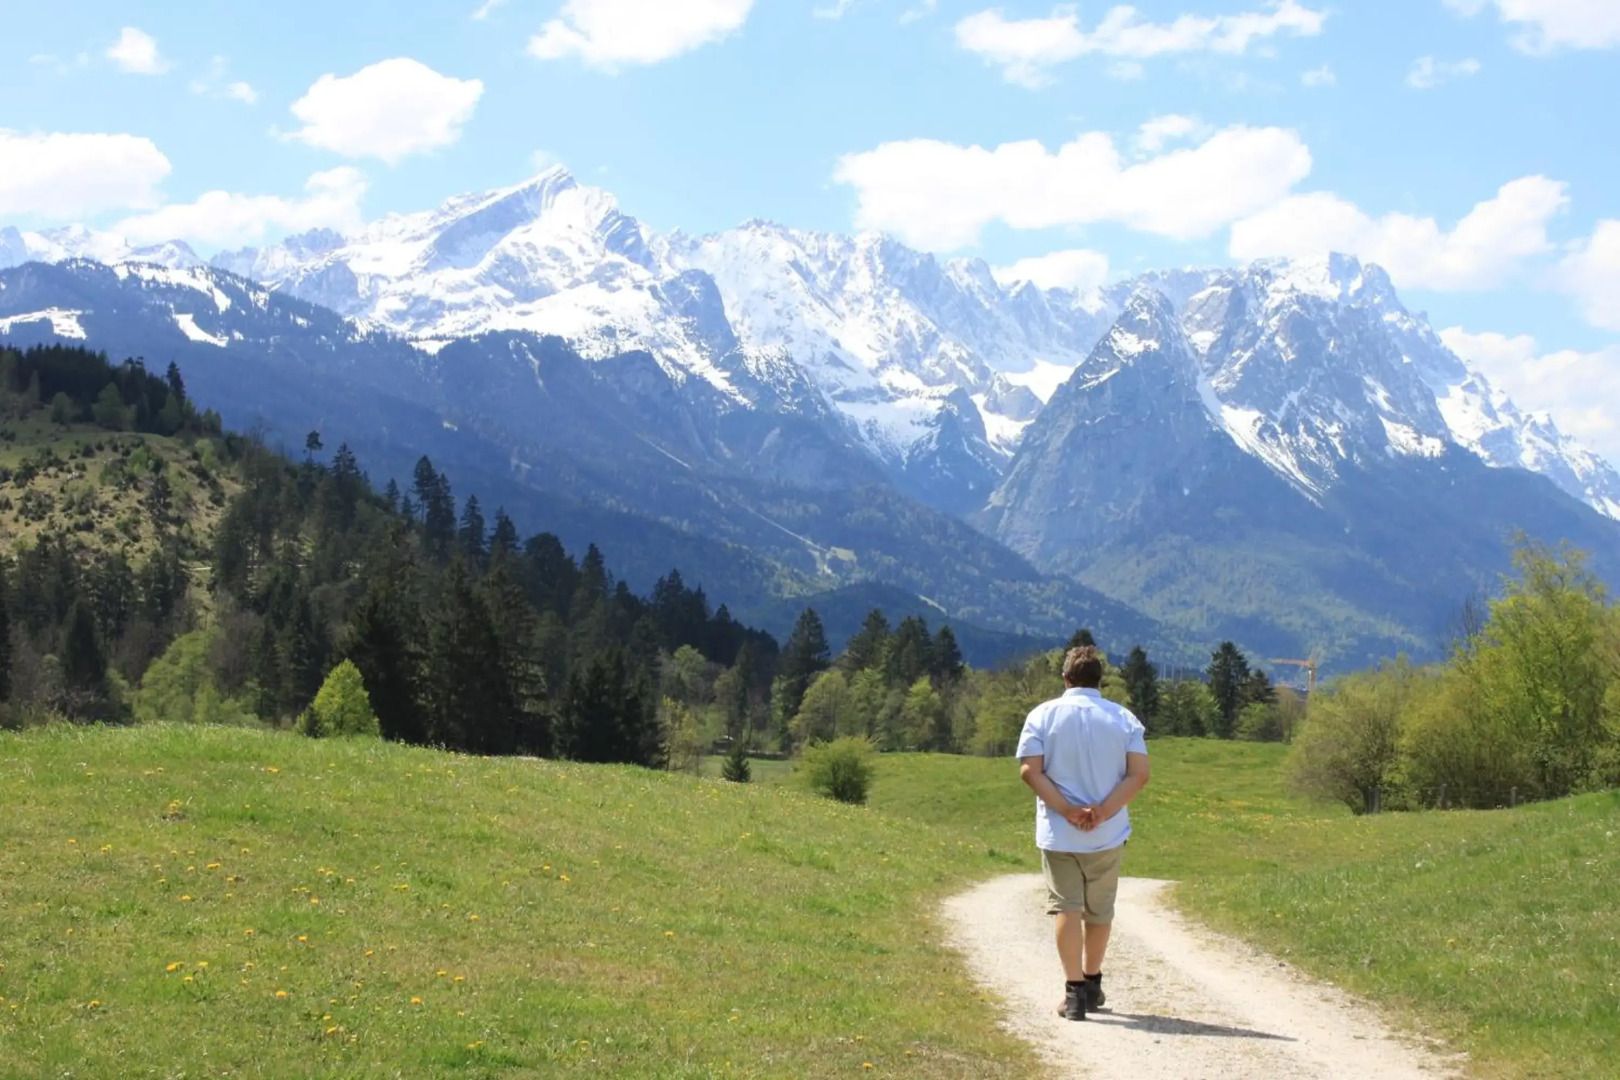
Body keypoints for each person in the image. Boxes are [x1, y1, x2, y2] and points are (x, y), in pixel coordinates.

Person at [1016, 645, 1150, 1022]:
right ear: (1099, 680)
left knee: (1067, 907)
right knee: (1100, 911)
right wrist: (1102, 812)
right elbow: (1139, 774)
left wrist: (1067, 810)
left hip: (1060, 832)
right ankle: (1092, 983)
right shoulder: (1124, 719)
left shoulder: (1042, 715)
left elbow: (1029, 771)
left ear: (1065, 678)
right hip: (1108, 833)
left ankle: (1073, 994)